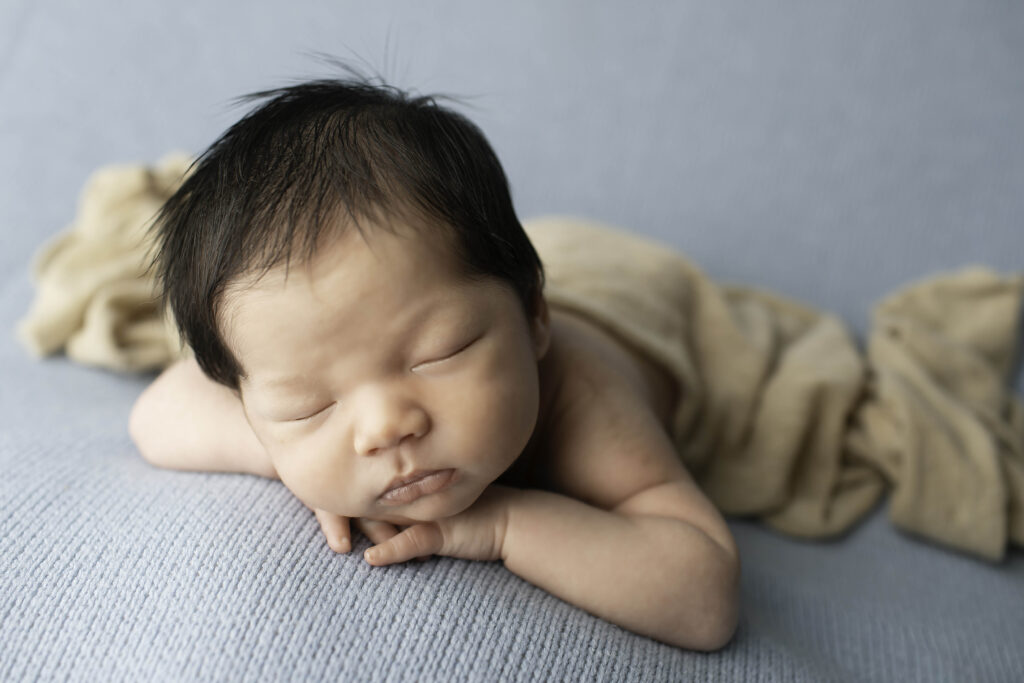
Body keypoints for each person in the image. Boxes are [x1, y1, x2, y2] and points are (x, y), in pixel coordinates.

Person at [128, 76, 740, 651]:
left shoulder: (584, 400)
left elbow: (704, 596)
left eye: (438, 354)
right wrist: (298, 458)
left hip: (631, 294)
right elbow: (155, 415)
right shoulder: (316, 374)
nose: (383, 428)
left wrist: (506, 524)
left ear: (534, 320)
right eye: (307, 405)